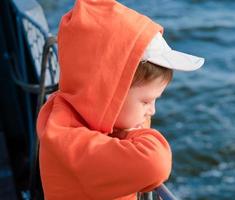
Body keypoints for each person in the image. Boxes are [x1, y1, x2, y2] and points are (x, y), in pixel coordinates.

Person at [36, 0, 204, 199]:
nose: (152, 111)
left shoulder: (67, 111)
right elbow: (155, 164)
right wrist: (135, 133)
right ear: (109, 92)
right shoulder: (69, 142)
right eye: (146, 101)